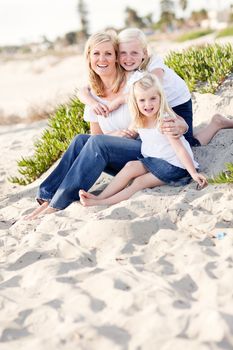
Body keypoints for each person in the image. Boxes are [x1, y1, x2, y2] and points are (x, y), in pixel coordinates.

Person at [24, 32, 187, 220]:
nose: (102, 59)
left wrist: (179, 127)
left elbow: (156, 114)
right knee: (80, 140)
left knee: (98, 143)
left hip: (148, 153)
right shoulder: (92, 94)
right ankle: (47, 197)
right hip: (120, 158)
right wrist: (114, 134)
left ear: (116, 57)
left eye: (108, 54)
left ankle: (58, 204)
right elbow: (96, 137)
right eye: (96, 54)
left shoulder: (135, 80)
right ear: (89, 57)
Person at [79, 28, 233, 146]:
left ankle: (216, 123)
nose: (128, 58)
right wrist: (88, 98)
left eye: (134, 52)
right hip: (157, 102)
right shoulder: (129, 69)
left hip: (176, 102)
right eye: (123, 53)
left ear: (144, 53)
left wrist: (119, 101)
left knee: (186, 144)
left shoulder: (154, 63)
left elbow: (153, 84)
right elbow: (86, 88)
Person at [79, 73, 208, 207]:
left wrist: (193, 173)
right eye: (142, 100)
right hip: (155, 160)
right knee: (130, 166)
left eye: (153, 98)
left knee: (139, 182)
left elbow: (180, 149)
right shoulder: (139, 119)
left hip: (174, 166)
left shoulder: (164, 121)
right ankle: (100, 197)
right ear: (135, 102)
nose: (148, 104)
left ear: (160, 98)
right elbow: (127, 131)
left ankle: (102, 202)